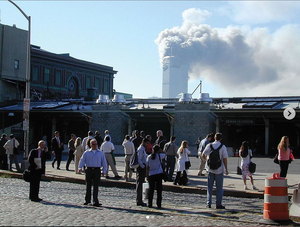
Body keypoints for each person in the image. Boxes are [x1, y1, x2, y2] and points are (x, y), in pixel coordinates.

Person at [202, 132, 229, 209]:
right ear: (221, 139)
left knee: (209, 187)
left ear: (214, 138)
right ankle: (218, 203)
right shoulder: (223, 147)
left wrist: (207, 160)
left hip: (210, 169)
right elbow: (224, 158)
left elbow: (203, 154)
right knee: (219, 187)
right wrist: (226, 169)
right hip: (219, 169)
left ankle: (208, 203)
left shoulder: (209, 145)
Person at [78, 139, 108, 207]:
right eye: (94, 144)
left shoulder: (100, 153)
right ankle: (87, 200)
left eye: (96, 144)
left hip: (97, 170)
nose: (95, 146)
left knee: (96, 186)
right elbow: (82, 160)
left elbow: (104, 162)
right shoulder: (86, 152)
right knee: (88, 185)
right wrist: (80, 167)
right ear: (91, 145)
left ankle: (95, 201)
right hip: (89, 170)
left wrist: (104, 171)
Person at [136, 138, 150, 206]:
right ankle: (139, 200)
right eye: (147, 143)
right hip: (141, 168)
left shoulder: (143, 149)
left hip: (143, 167)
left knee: (141, 183)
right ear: (143, 142)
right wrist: (143, 167)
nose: (147, 145)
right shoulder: (141, 149)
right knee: (139, 184)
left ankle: (140, 199)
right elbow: (139, 160)